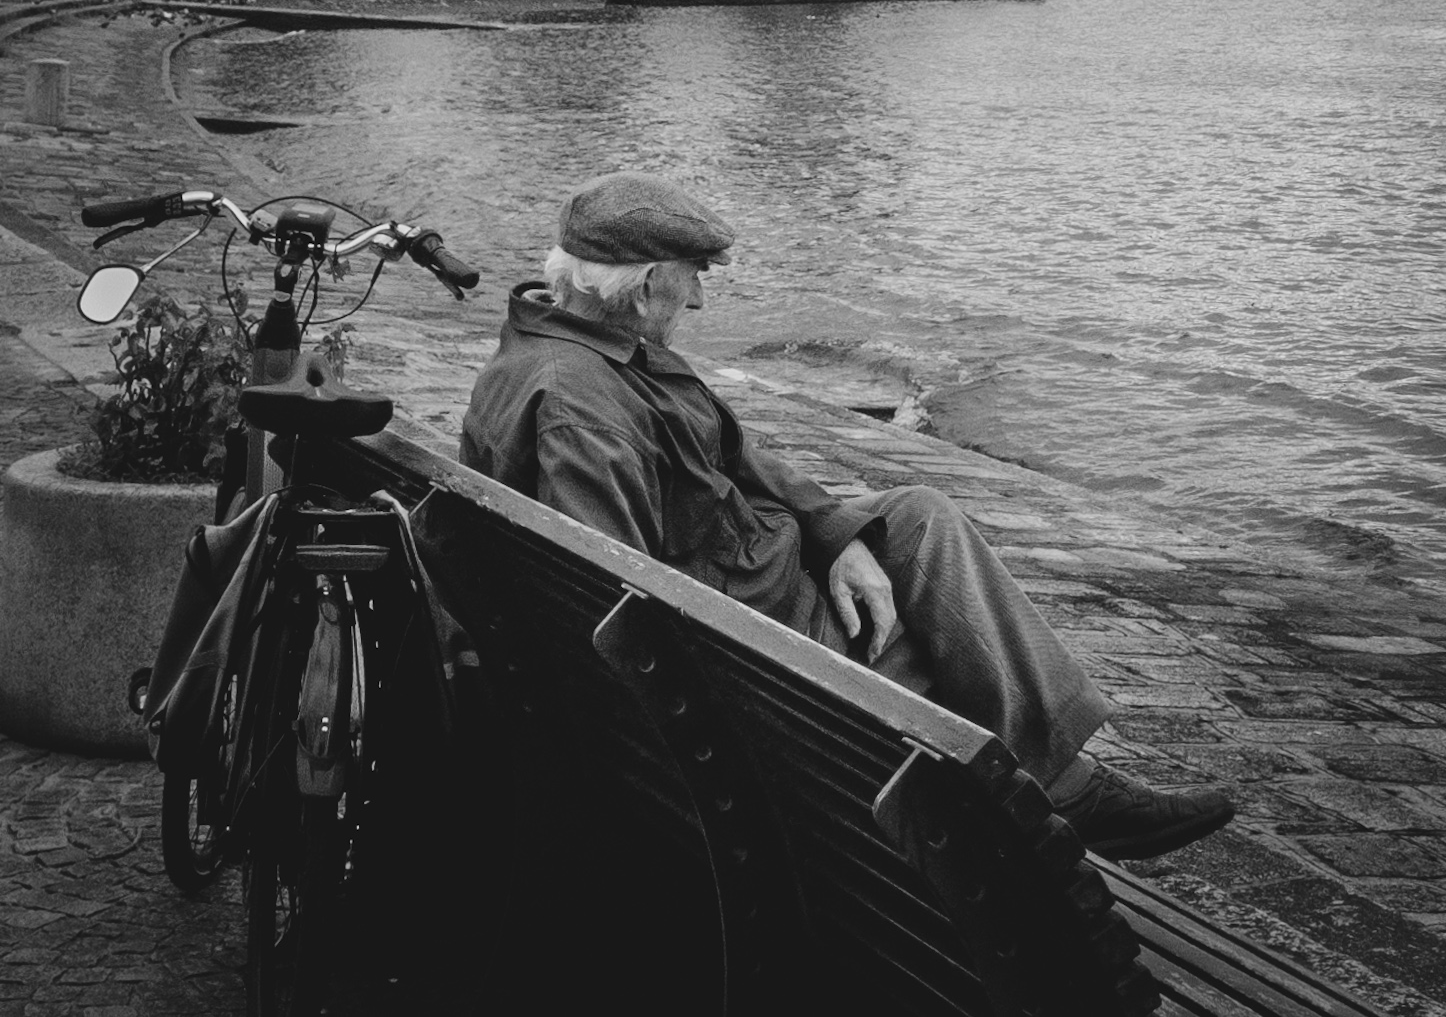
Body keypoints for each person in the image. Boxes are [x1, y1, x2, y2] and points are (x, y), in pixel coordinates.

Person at [460, 171, 1234, 862]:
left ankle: (1060, 779)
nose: (698, 297)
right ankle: (1060, 791)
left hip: (760, 563)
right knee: (937, 649)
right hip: (752, 629)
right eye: (693, 276)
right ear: (648, 280)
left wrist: (838, 539)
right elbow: (617, 598)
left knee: (918, 515)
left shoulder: (587, 345)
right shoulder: (582, 406)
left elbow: (737, 455)